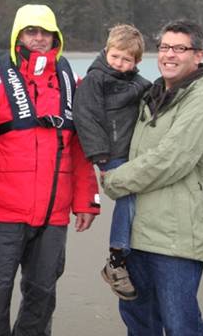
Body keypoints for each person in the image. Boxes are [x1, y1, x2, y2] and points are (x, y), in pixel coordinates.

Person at [0, 4, 101, 336]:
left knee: (41, 297)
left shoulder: (73, 81)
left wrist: (86, 199)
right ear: (17, 36)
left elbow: (81, 147)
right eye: (30, 32)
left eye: (45, 32)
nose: (38, 39)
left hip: (53, 217)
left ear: (56, 37)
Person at [102, 19, 203, 335]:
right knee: (140, 323)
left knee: (180, 324)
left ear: (198, 55)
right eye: (164, 47)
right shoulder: (151, 95)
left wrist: (115, 180)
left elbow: (171, 160)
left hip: (176, 238)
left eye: (179, 48)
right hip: (137, 235)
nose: (169, 55)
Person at [72, 24, 151, 301]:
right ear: (107, 51)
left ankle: (134, 249)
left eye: (126, 59)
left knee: (140, 200)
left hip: (132, 153)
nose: (119, 63)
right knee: (127, 197)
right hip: (110, 153)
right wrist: (99, 154)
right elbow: (85, 116)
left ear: (136, 62)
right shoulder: (95, 80)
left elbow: (153, 96)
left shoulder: (138, 84)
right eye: (115, 56)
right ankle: (116, 258)